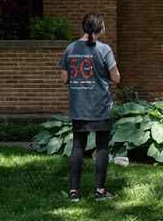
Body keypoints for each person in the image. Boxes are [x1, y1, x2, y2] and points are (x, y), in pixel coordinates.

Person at [59, 13, 120, 203]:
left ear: (83, 27)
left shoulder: (70, 48)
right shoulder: (104, 49)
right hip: (100, 106)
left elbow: (64, 79)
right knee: (102, 146)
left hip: (79, 106)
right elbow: (116, 78)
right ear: (99, 29)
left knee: (78, 145)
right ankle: (100, 191)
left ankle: (73, 192)